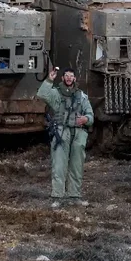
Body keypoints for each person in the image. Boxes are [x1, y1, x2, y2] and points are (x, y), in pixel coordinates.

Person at [36, 66, 94, 207]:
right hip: (61, 133)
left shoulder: (82, 96)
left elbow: (91, 115)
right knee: (59, 165)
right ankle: (57, 196)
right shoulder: (56, 94)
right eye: (66, 76)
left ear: (74, 78)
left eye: (71, 76)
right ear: (62, 78)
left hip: (78, 134)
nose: (69, 78)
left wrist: (86, 119)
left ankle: (75, 195)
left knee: (76, 166)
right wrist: (49, 79)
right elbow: (42, 95)